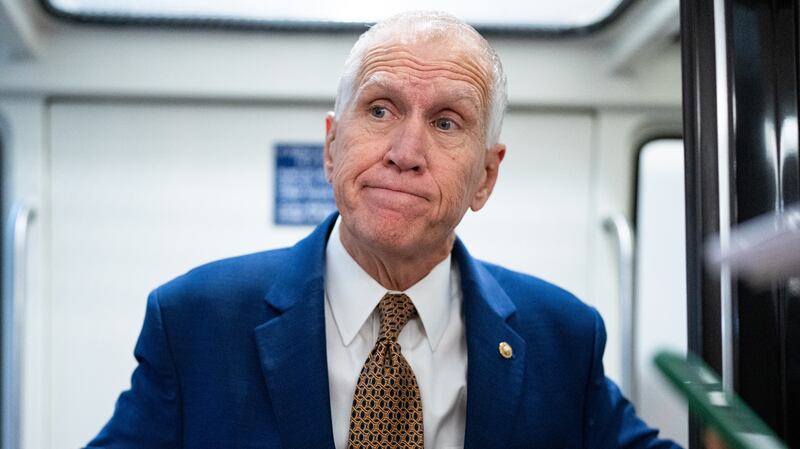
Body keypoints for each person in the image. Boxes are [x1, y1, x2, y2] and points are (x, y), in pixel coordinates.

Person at [86, 10, 684, 449]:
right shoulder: (194, 322)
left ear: (485, 176)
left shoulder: (564, 338)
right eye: (379, 110)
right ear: (330, 146)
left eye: (447, 122)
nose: (405, 151)